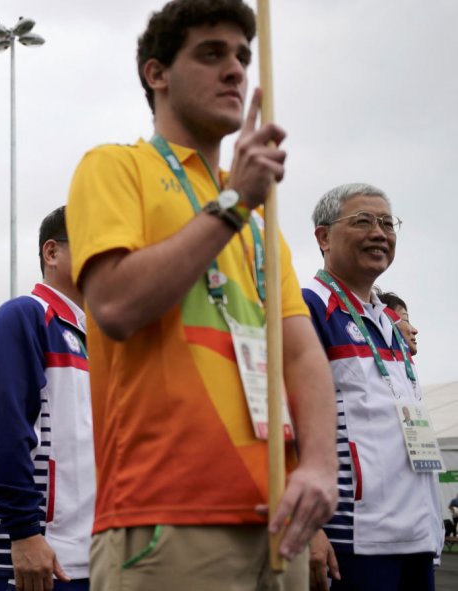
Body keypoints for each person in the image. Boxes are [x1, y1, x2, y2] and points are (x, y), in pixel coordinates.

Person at [65, 1, 339, 588]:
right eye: (211, 54)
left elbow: (300, 354)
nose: (237, 70)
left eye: (242, 56)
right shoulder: (116, 167)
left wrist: (318, 465)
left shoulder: (263, 221)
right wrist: (233, 203)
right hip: (165, 519)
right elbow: (114, 306)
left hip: (277, 521)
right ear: (156, 74)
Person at [304, 183, 442, 591]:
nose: (379, 233)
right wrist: (309, 526)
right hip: (352, 541)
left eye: (387, 222)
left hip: (416, 535)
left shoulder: (388, 323)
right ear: (324, 237)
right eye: (363, 221)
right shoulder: (307, 307)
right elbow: (286, 424)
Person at [0, 207, 94, 591]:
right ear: (52, 252)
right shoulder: (24, 316)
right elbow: (2, 435)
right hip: (38, 556)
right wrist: (24, 532)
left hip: (97, 551)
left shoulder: (97, 336)